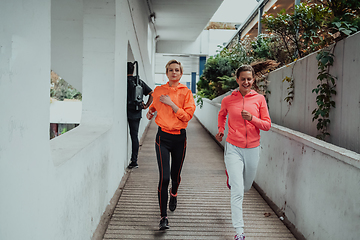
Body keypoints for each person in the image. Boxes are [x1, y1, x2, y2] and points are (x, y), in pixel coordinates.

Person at [215, 65, 271, 240]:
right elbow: (222, 115)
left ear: (253, 80)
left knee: (246, 186)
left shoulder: (260, 99)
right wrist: (221, 129)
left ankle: (232, 177)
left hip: (253, 148)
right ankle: (239, 231)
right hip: (233, 147)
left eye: (249, 79)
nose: (246, 82)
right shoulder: (228, 100)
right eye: (243, 79)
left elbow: (267, 125)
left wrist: (252, 119)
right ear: (237, 79)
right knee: (238, 191)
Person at [146, 59, 196, 230]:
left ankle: (174, 193)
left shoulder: (186, 92)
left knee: (175, 176)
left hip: (179, 139)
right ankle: (163, 217)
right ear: (166, 73)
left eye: (177, 70)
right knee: (164, 178)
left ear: (181, 74)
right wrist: (151, 111)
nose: (174, 72)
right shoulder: (160, 90)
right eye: (170, 70)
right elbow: (155, 104)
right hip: (163, 138)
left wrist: (172, 104)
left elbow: (187, 116)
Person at [127, 62, 153, 169]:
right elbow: (152, 93)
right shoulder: (139, 81)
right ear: (133, 70)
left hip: (126, 111)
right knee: (134, 136)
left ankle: (134, 161)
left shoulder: (123, 82)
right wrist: (146, 105)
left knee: (132, 136)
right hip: (136, 112)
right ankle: (134, 161)